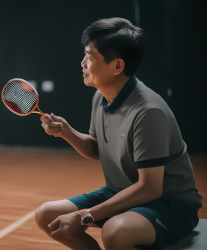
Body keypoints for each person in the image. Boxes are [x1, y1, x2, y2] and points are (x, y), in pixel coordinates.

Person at [35, 17, 202, 250]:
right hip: (121, 192)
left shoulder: (148, 112)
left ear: (117, 66)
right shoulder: (100, 97)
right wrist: (66, 131)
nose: (82, 63)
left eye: (90, 57)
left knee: (115, 232)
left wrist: (86, 215)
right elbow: (96, 148)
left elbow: (150, 187)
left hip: (169, 203)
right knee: (46, 215)